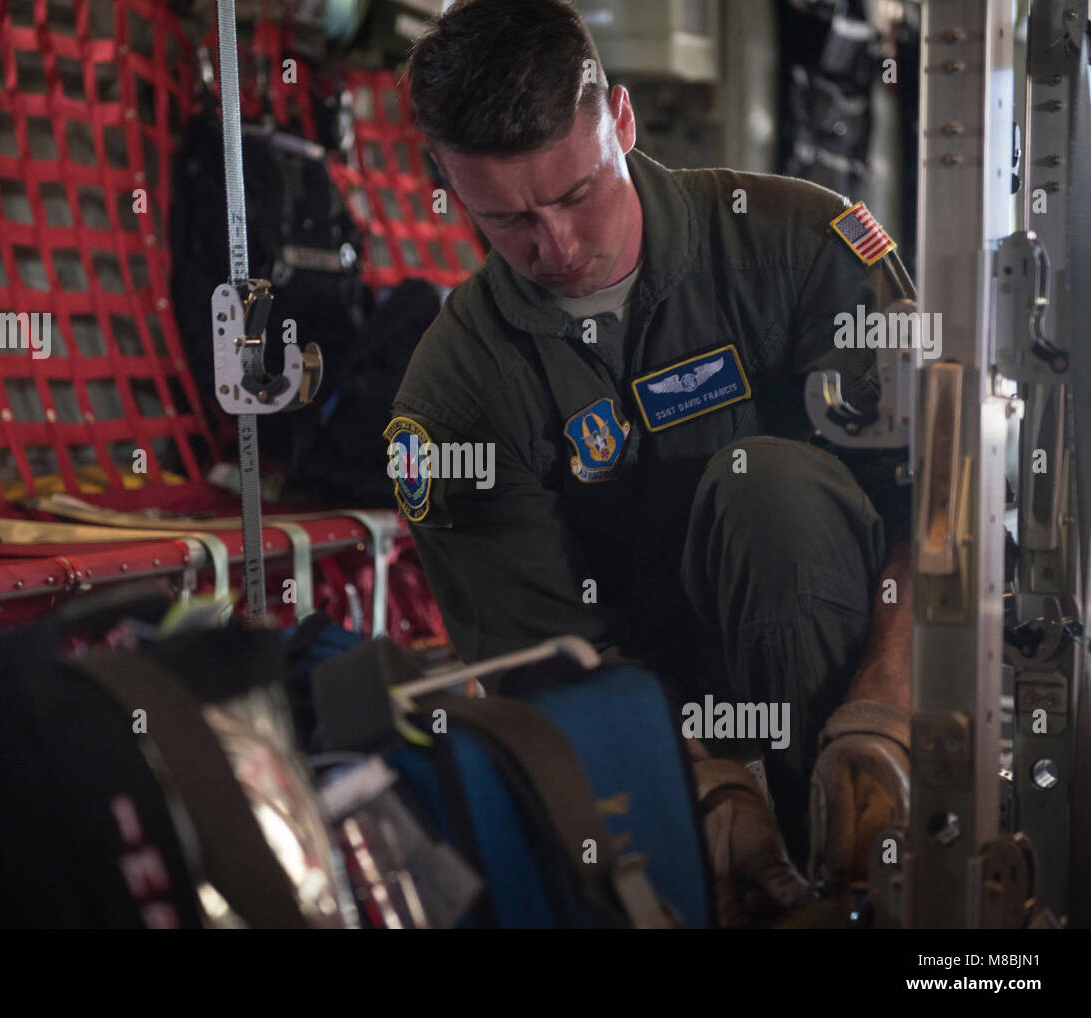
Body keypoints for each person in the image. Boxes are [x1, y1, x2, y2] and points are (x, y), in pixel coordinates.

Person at [387, 0, 913, 921]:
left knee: (769, 489)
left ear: (620, 121)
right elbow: (542, 656)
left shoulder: (798, 246)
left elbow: (937, 511)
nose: (555, 247)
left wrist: (887, 711)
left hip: (859, 692)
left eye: (576, 193)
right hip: (657, 753)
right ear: (447, 181)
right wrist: (701, 783)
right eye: (504, 220)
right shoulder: (457, 390)